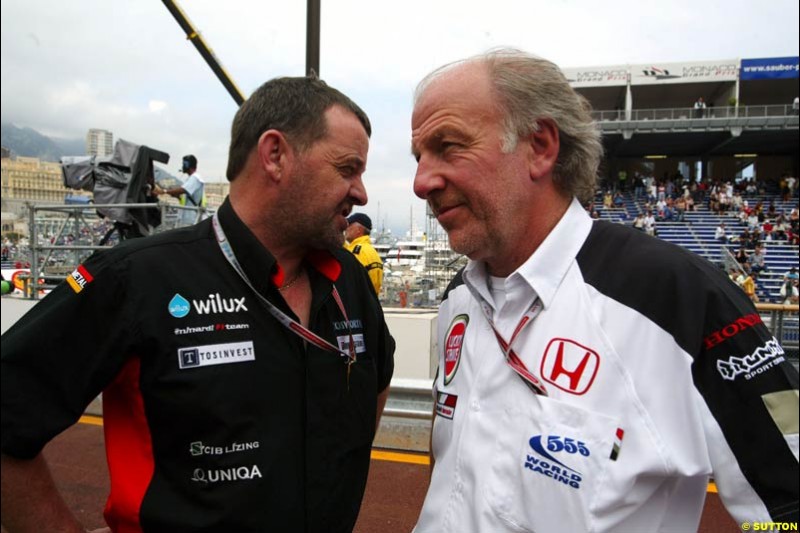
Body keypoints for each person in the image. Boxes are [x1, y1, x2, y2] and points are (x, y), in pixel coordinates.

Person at [410, 48, 798, 533]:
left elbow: (786, 506)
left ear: (540, 147)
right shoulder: (457, 300)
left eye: (448, 147)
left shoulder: (679, 298)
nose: (421, 181)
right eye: (419, 156)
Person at [1, 76, 395, 533]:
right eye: (348, 169)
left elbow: (377, 380)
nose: (361, 193)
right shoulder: (140, 277)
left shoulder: (347, 279)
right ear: (275, 155)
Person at [155, 154, 207, 225]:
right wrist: (175, 195)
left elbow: (183, 190)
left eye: (183, 164)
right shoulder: (191, 179)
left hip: (191, 219)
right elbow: (186, 197)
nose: (182, 166)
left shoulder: (195, 178)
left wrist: (164, 191)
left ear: (187, 165)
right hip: (186, 218)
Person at [344, 212, 384, 295]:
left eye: (349, 225)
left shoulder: (357, 251)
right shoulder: (372, 251)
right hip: (370, 302)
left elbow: (349, 281)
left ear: (359, 230)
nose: (346, 229)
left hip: (356, 303)